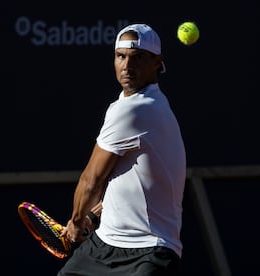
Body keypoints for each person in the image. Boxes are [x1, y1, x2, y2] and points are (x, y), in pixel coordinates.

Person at [58, 23, 187, 276]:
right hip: (104, 245)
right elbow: (124, 182)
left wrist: (75, 223)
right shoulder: (147, 103)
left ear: (156, 63)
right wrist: (91, 219)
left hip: (149, 252)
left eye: (138, 58)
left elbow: (92, 181)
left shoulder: (135, 109)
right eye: (121, 56)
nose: (127, 66)